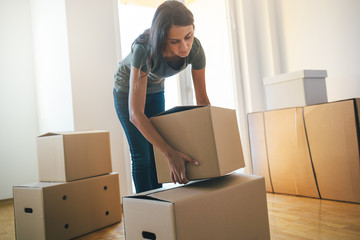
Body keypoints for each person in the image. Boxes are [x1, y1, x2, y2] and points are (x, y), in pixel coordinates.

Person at [113, 0, 210, 193]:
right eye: (175, 41)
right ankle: (146, 211)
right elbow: (136, 114)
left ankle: (160, 209)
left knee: (156, 154)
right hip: (126, 91)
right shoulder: (144, 50)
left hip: (155, 89)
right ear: (162, 38)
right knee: (142, 154)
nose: (184, 47)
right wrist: (171, 153)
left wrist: (210, 140)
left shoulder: (196, 50)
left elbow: (202, 102)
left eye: (188, 37)